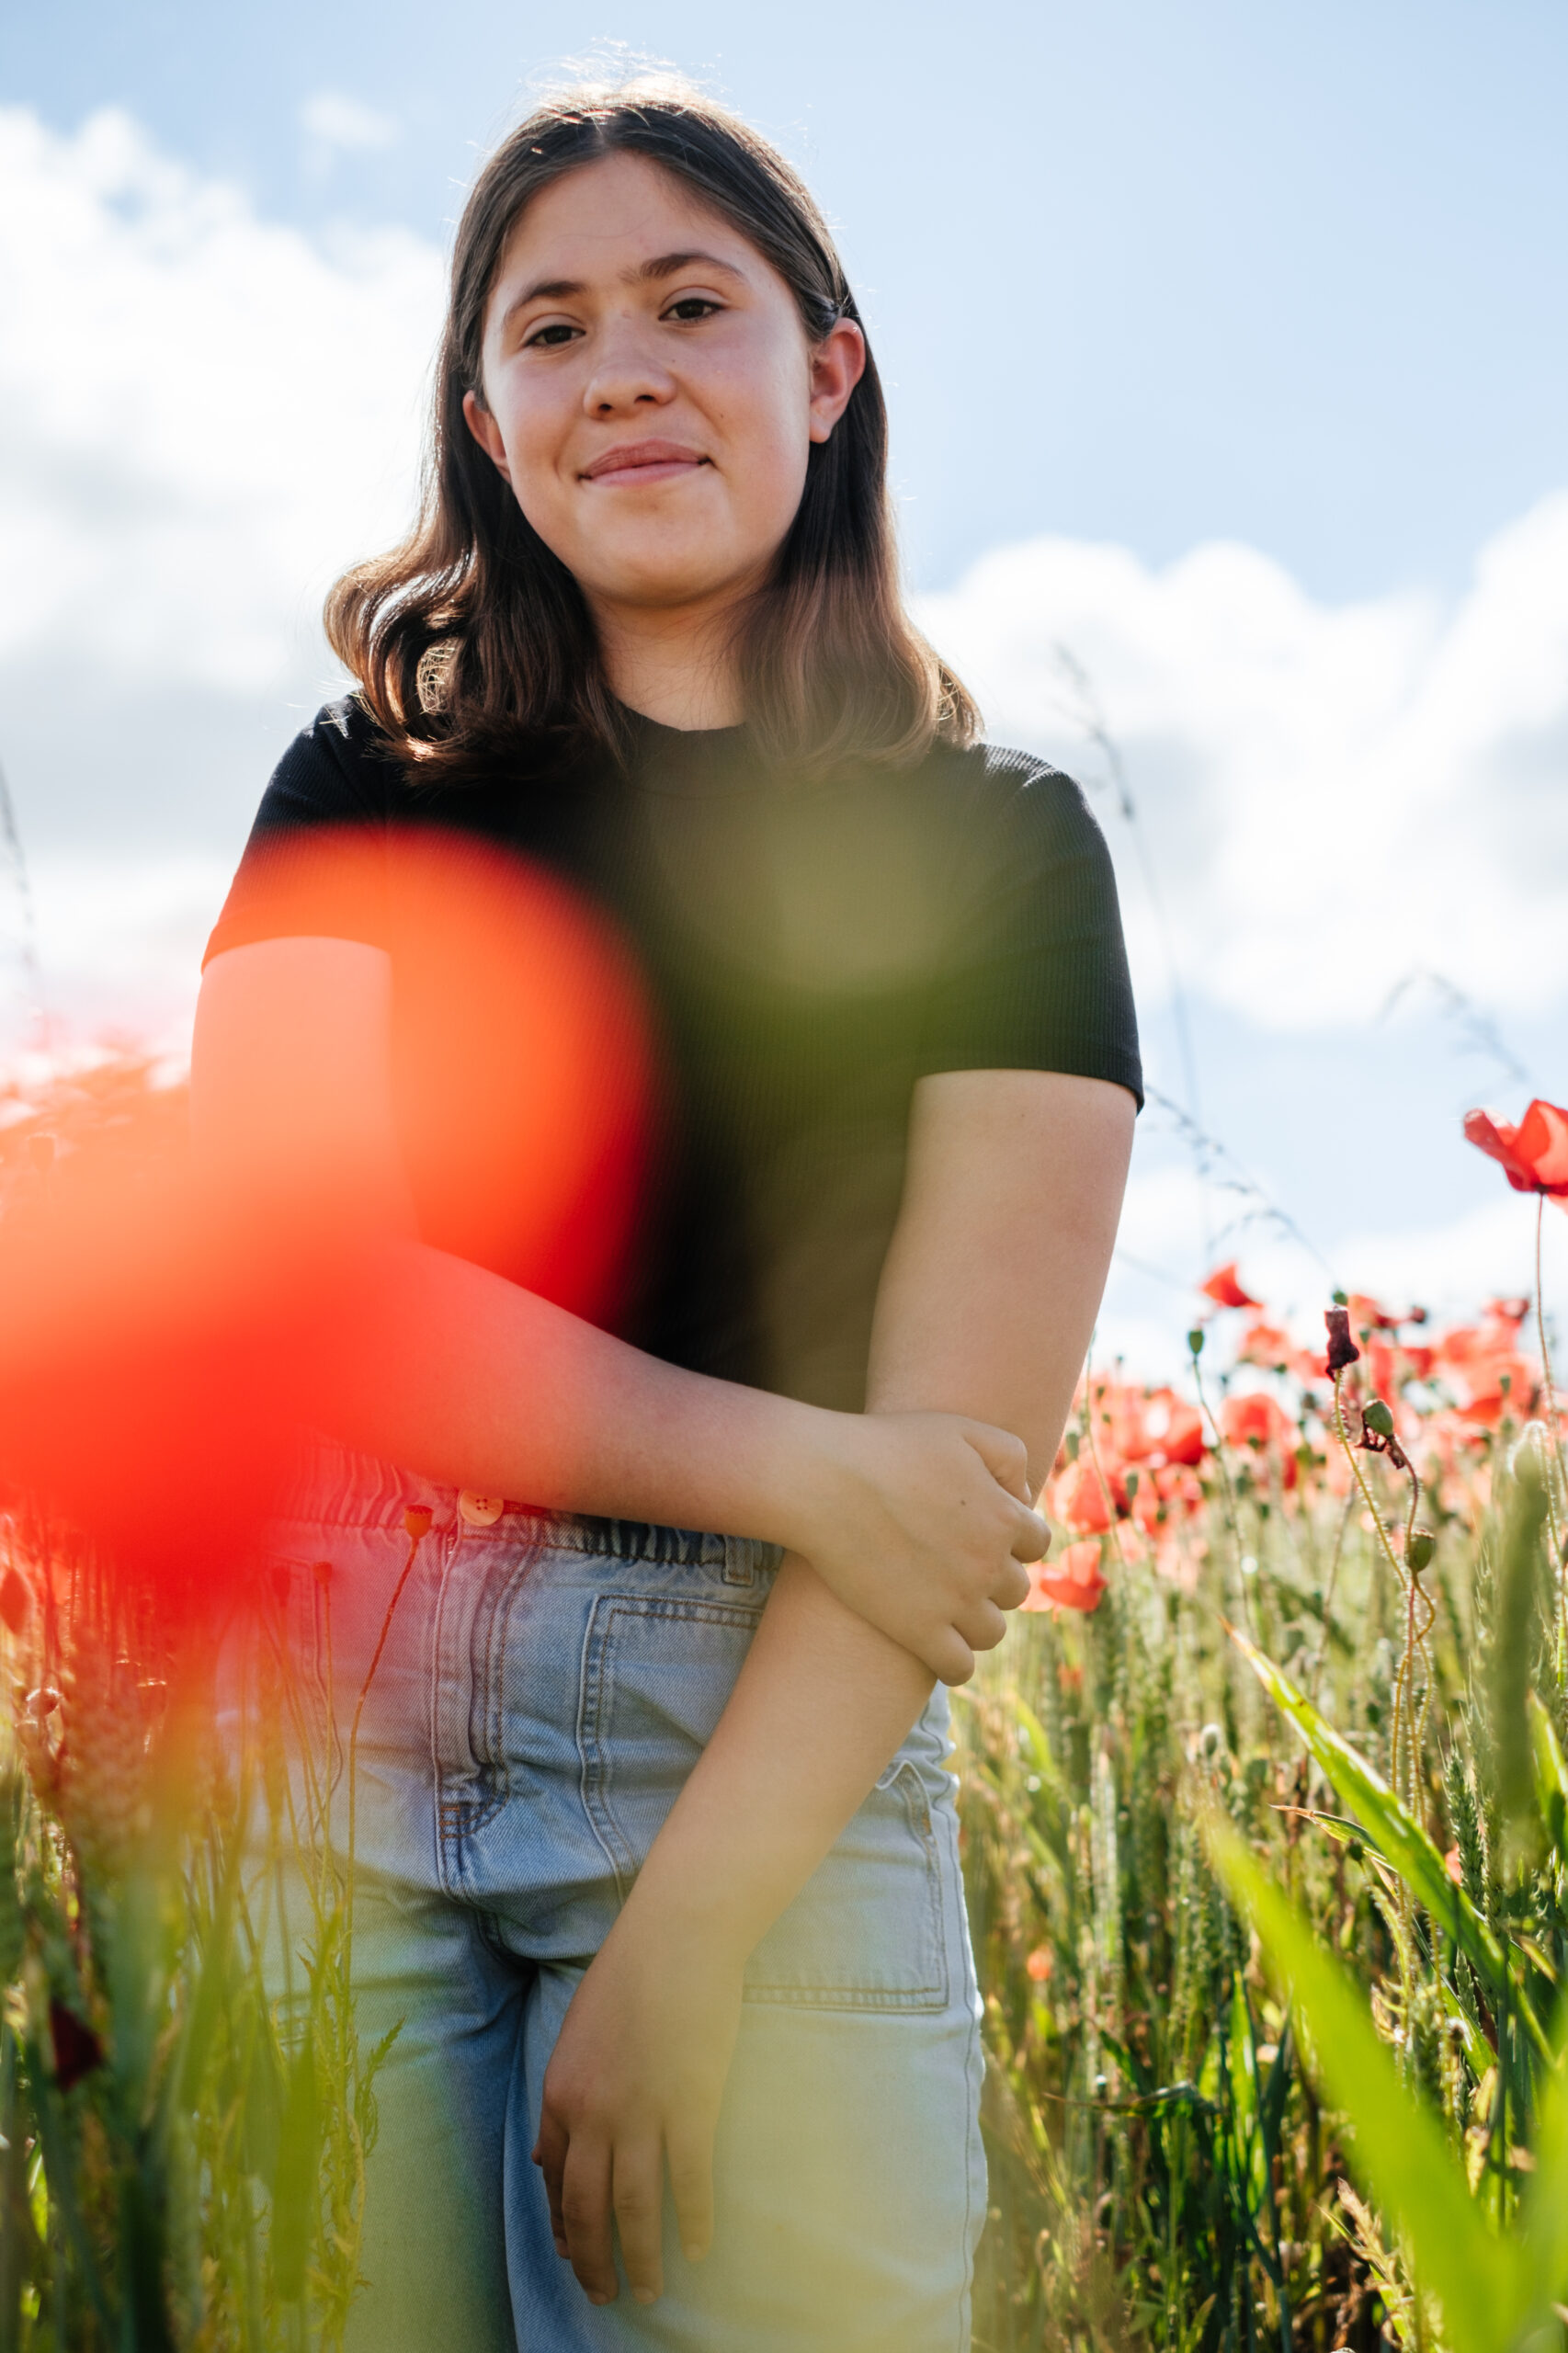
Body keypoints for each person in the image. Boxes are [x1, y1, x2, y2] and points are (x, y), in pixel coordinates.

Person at [191, 74, 1141, 2353]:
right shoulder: (369, 781)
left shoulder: (995, 844)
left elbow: (958, 1471)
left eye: (689, 303)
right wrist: (808, 1458)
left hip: (760, 1749)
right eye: (549, 328)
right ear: (487, 418)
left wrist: (695, 1932)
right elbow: (306, 1287)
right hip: (340, 1739)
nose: (617, 365)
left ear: (827, 373)